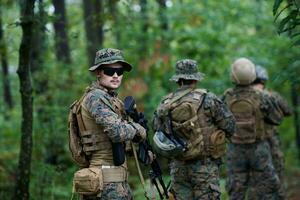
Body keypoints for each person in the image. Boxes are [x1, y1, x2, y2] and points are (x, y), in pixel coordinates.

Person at [153, 59, 235, 200]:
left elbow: (156, 129)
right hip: (205, 167)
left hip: (178, 167)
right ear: (195, 79)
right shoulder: (208, 99)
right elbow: (230, 126)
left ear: (178, 80)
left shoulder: (165, 103)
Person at [76, 48, 146, 200]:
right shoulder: (96, 97)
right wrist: (139, 130)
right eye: (109, 70)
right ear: (98, 72)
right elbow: (117, 131)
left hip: (113, 180)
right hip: (106, 183)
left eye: (119, 71)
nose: (115, 75)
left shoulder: (111, 99)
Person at [223, 58, 282, 200]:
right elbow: (277, 119)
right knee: (266, 189)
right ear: (253, 75)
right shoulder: (262, 96)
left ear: (233, 76)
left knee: (236, 191)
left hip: (235, 150)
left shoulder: (226, 97)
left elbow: (220, 122)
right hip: (259, 149)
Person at [250, 65, 292, 199]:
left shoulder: (243, 97)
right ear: (264, 80)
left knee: (254, 182)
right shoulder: (271, 95)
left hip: (250, 145)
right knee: (276, 180)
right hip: (271, 143)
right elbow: (288, 110)